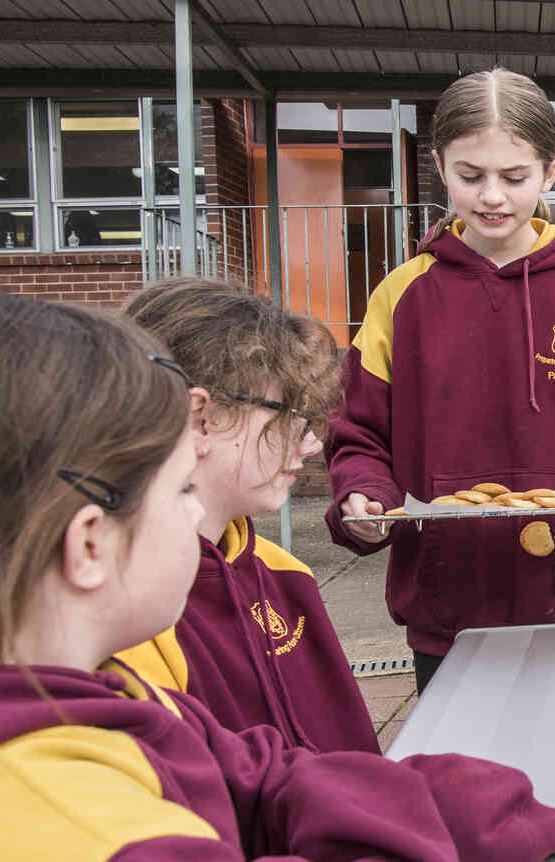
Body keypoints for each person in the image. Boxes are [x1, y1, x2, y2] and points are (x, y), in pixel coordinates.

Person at [0, 287, 555, 862]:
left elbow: (264, 776)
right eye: (180, 491)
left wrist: (425, 797)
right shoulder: (71, 857)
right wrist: (409, 829)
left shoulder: (90, 702)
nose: (198, 520)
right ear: (89, 544)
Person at [325, 68, 555, 691]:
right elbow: (358, 435)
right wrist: (363, 494)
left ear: (550, 173)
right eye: (469, 175)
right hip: (448, 606)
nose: (492, 197)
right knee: (459, 780)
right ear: (439, 166)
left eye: (514, 177)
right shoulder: (401, 296)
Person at [111, 276, 377, 752]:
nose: (311, 442)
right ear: (200, 418)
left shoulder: (283, 574)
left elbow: (353, 755)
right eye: (288, 411)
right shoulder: (125, 613)